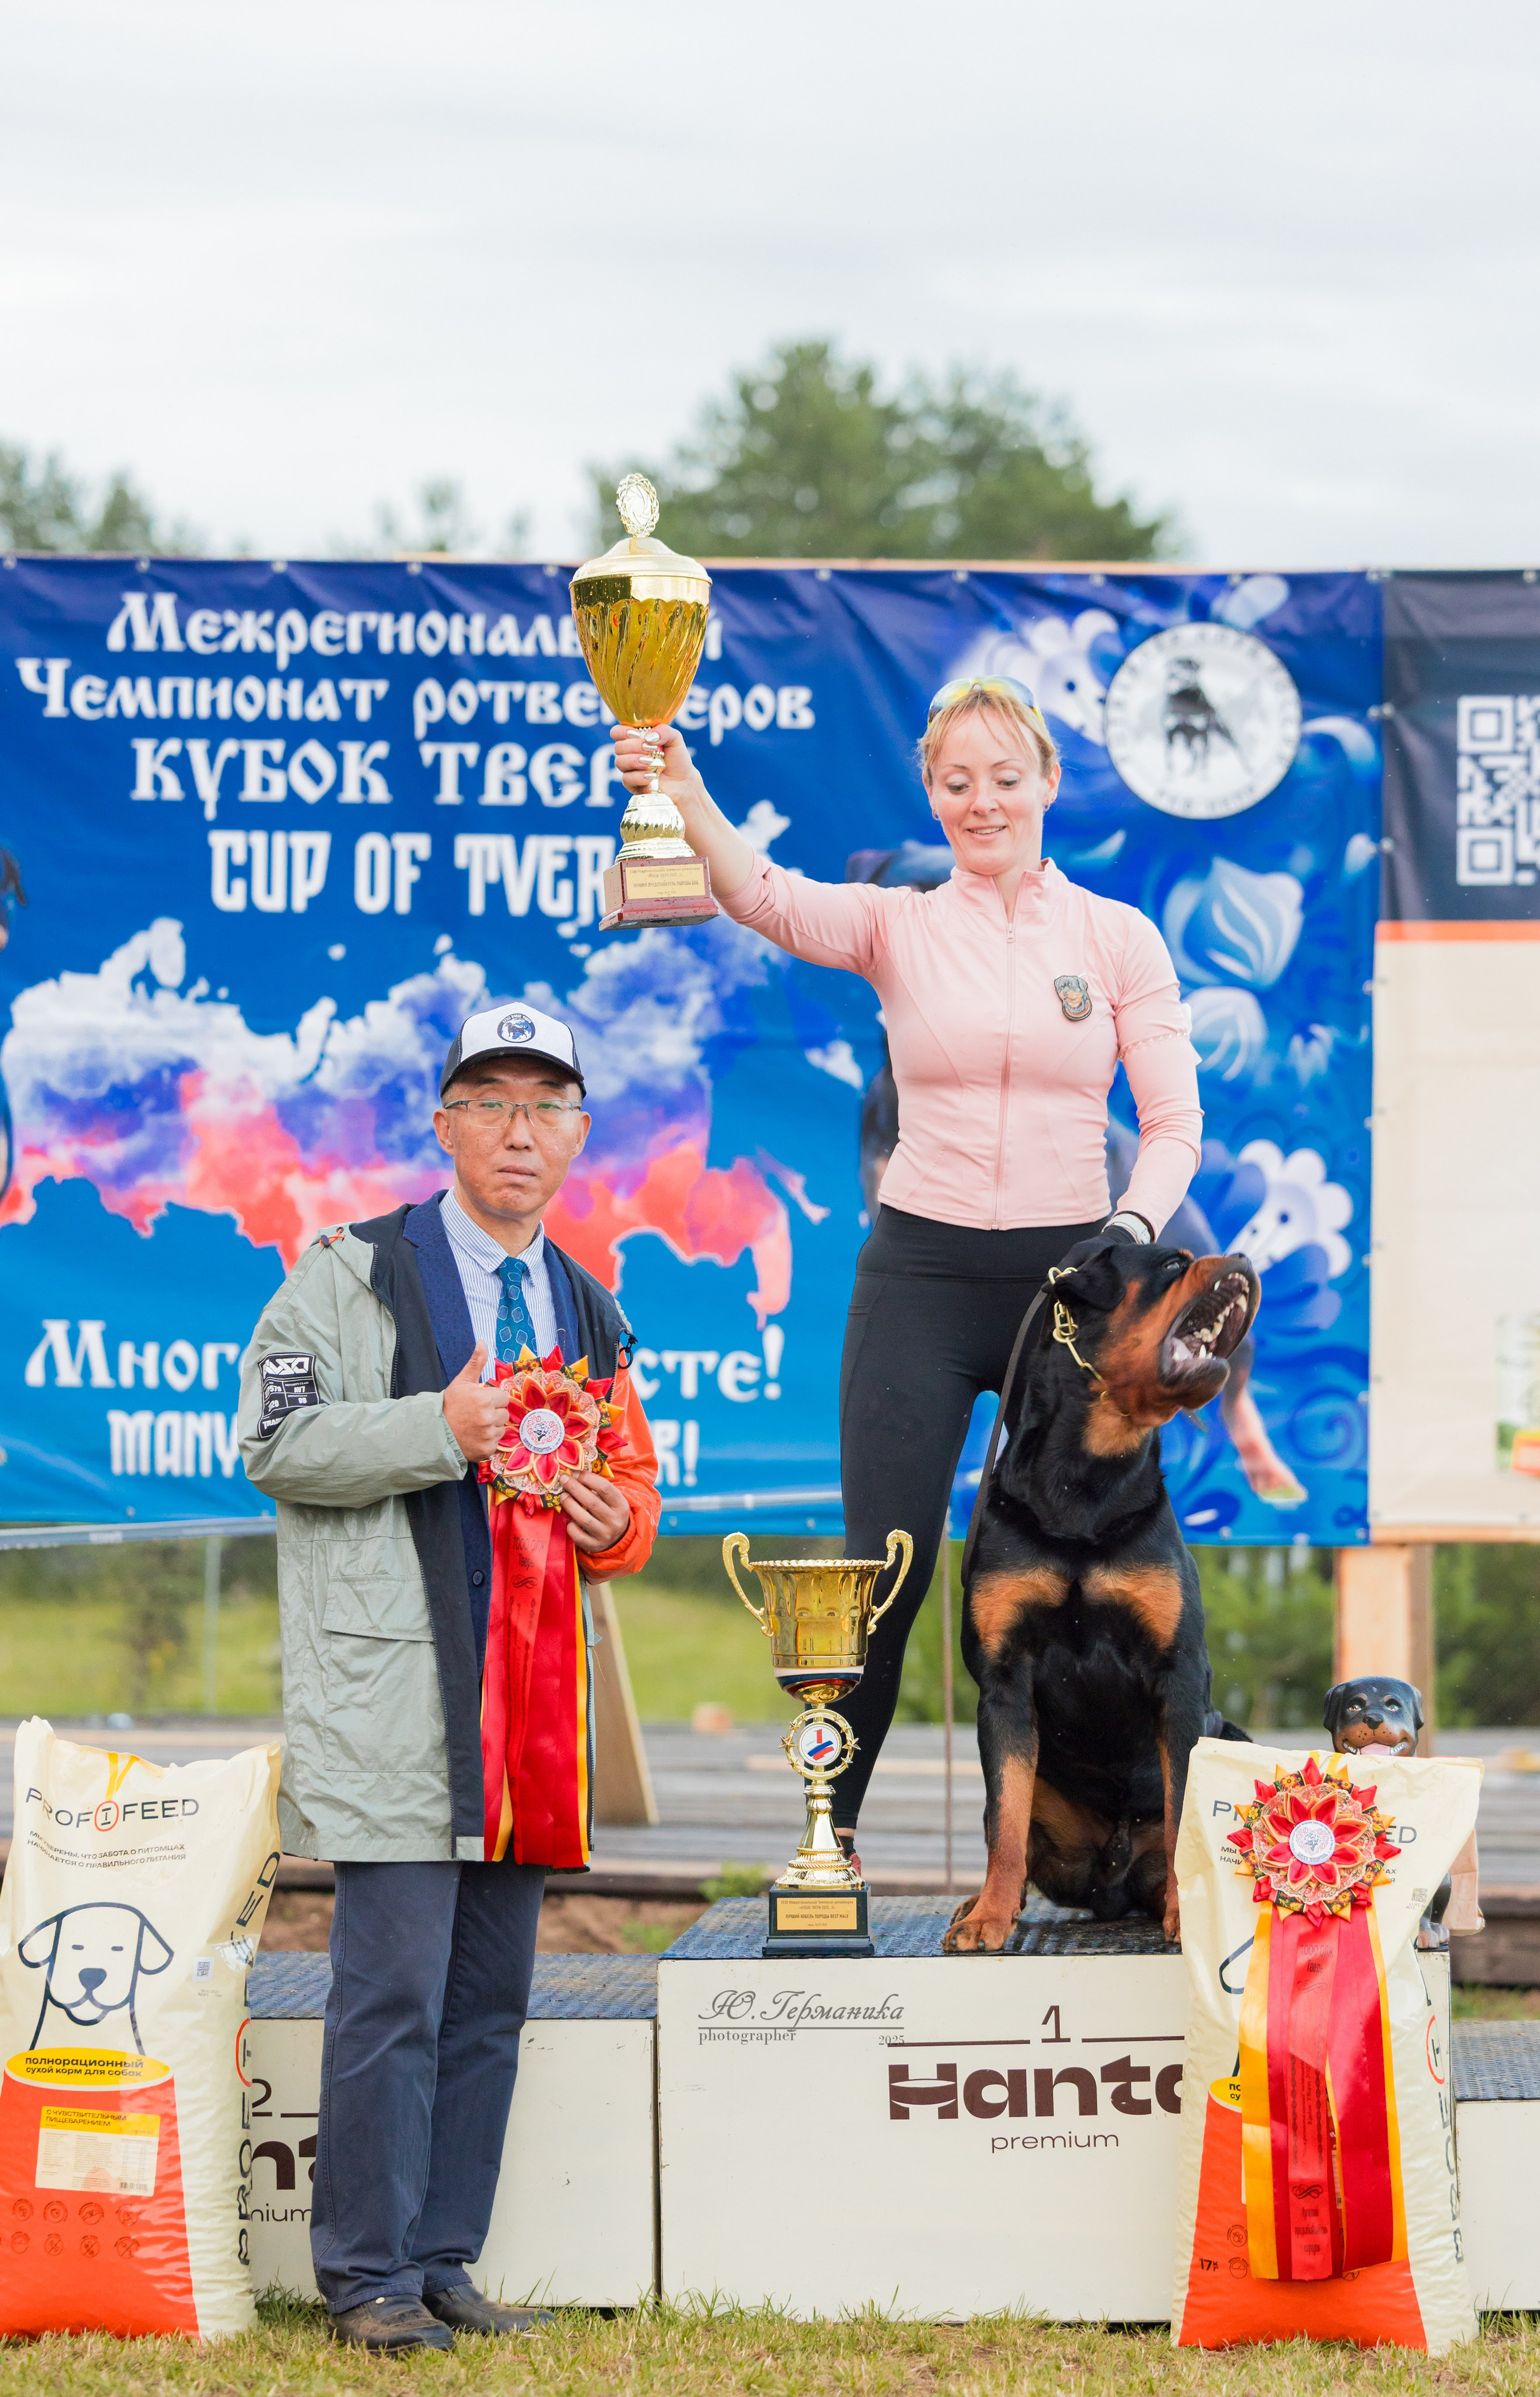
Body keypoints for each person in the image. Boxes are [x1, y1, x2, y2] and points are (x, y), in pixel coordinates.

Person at [610, 677, 1200, 1866]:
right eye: (955, 781)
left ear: (1046, 783)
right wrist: (682, 787)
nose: (981, 800)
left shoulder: (1118, 939)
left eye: (1003, 776)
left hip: (1071, 1294)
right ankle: (827, 1853)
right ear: (932, 795)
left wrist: (1123, 1232)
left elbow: (1176, 1122)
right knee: (880, 1577)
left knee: (1111, 1569)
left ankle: (1151, 1850)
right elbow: (758, 892)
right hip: (918, 1281)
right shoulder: (899, 922)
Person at [239, 1001, 659, 2354]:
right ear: (444, 1125)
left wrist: (618, 1525)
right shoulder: (345, 1273)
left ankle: (441, 2259)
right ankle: (362, 2273)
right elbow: (274, 1440)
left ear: (578, 1133)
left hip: (531, 1719)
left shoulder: (588, 1303)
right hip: (399, 1700)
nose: (518, 1130)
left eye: (546, 1105)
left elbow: (633, 1485)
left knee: (488, 2000)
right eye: (490, 1102)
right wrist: (442, 1423)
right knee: (390, 1996)